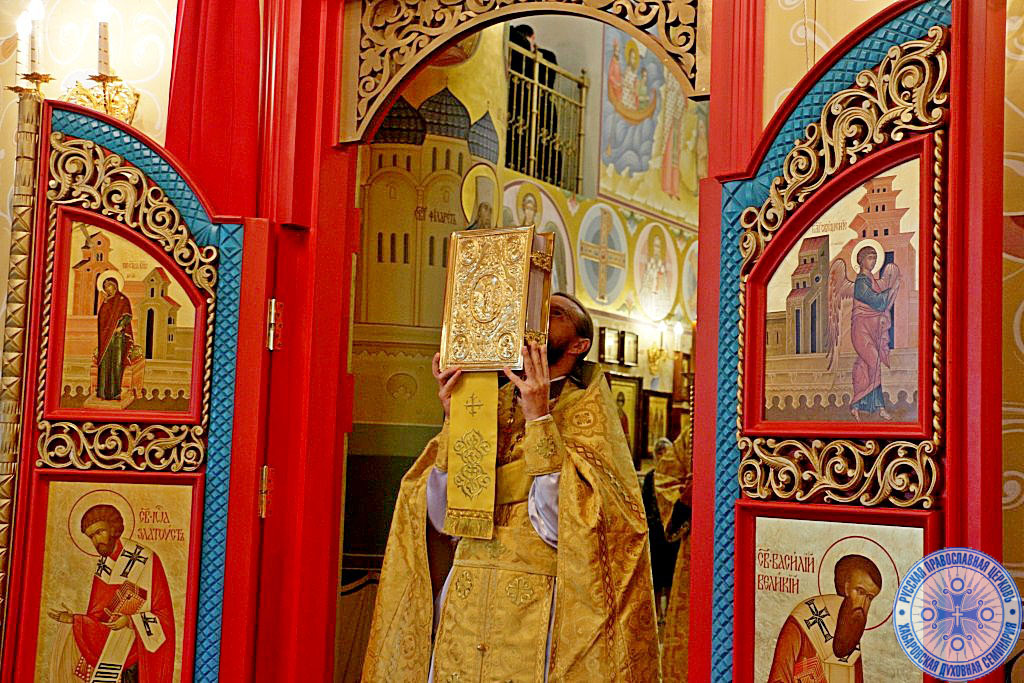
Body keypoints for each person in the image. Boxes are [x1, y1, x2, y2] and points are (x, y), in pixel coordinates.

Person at [363, 293, 660, 681]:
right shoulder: (488, 400)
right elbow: (442, 515)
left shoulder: (588, 412)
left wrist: (539, 419)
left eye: (556, 313)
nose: (539, 317)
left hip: (540, 602)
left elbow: (572, 525)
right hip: (466, 595)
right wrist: (454, 420)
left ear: (579, 344)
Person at [47, 504, 175, 682]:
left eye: (100, 532)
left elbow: (163, 615)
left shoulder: (145, 560)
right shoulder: (104, 566)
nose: (96, 541)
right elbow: (97, 616)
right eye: (91, 536)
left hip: (137, 655)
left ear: (114, 529)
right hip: (110, 651)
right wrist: (75, 620)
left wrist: (130, 621)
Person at [767, 555, 882, 683]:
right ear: (846, 587)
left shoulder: (849, 633)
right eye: (860, 592)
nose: (863, 604)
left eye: (869, 598)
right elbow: (778, 678)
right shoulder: (801, 620)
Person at [641, 438, 682, 621]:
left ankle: (669, 613)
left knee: (670, 575)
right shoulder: (650, 477)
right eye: (661, 453)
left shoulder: (675, 477)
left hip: (672, 531)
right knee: (657, 576)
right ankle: (657, 612)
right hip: (655, 532)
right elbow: (645, 503)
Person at [95, 275, 134, 401]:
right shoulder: (106, 301)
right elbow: (101, 319)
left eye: (109, 286)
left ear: (115, 286)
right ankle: (102, 393)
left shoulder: (122, 299)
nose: (107, 289)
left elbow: (127, 316)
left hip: (117, 337)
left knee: (116, 364)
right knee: (104, 363)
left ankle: (115, 393)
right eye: (105, 287)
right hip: (105, 337)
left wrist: (120, 326)